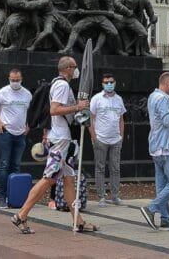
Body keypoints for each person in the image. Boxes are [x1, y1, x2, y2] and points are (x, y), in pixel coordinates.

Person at [11, 56, 96, 234]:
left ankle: (78, 221)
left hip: (63, 139)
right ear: (68, 68)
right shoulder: (62, 85)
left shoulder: (58, 84)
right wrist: (78, 107)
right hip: (60, 140)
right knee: (49, 178)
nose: (76, 70)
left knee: (69, 180)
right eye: (74, 67)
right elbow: (54, 110)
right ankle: (21, 215)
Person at [139, 71, 169, 231]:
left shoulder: (153, 96)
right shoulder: (163, 99)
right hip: (165, 147)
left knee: (162, 184)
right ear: (168, 83)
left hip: (156, 146)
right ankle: (151, 208)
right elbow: (167, 121)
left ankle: (165, 218)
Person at [0, 69, 32, 208]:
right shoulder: (3, 92)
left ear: (21, 79)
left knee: (16, 165)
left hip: (20, 134)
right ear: (9, 79)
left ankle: (13, 196)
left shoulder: (27, 94)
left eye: (17, 80)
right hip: (6, 132)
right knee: (5, 164)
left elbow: (28, 111)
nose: (15, 82)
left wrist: (28, 125)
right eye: (12, 80)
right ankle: (2, 196)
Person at [89, 72, 127, 205]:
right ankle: (101, 197)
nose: (109, 84)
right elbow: (90, 119)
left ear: (115, 83)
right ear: (102, 84)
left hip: (116, 140)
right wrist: (94, 138)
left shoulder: (119, 99)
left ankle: (115, 196)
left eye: (111, 82)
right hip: (101, 139)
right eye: (106, 82)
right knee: (100, 168)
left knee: (115, 168)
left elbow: (121, 119)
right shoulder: (96, 99)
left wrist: (121, 137)